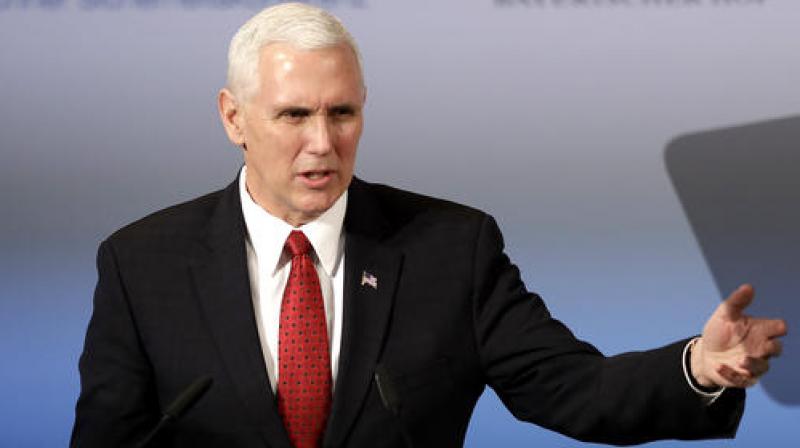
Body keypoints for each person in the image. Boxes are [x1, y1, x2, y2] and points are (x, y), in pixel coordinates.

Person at [71, 3, 787, 448]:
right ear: (234, 117)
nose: (322, 142)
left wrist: (697, 367)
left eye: (342, 112)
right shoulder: (143, 265)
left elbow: (575, 390)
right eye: (294, 114)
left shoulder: (452, 249)